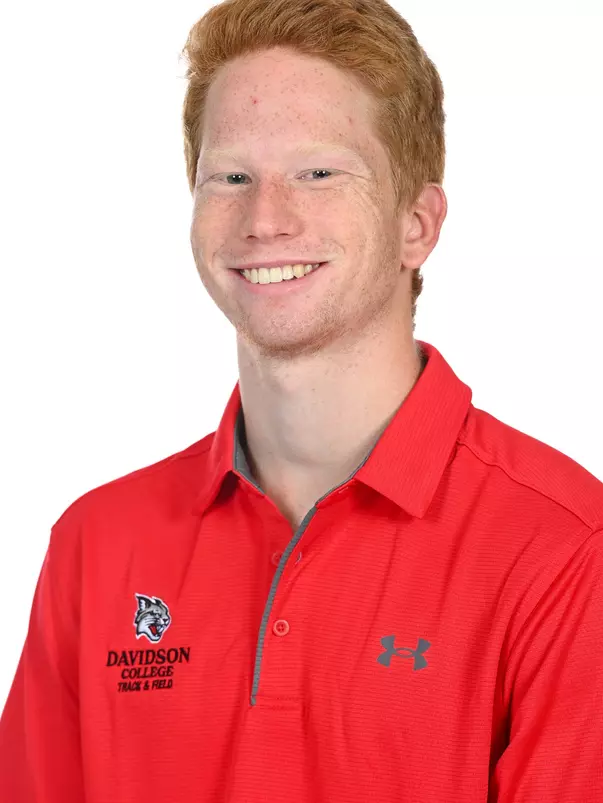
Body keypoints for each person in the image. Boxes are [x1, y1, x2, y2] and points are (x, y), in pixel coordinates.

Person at [1, 0, 602, 800]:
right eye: (231, 177)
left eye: (318, 173)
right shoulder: (96, 544)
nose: (265, 218)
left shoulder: (562, 548)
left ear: (416, 224)